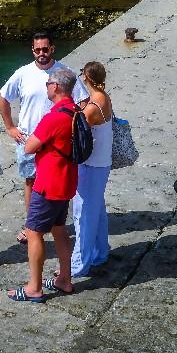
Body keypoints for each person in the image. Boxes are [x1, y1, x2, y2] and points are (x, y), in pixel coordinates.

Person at [0, 31, 88, 246]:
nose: (41, 53)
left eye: (45, 49)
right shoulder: (23, 73)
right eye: (37, 50)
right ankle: (32, 225)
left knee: (56, 182)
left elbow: (84, 101)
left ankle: (53, 222)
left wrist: (72, 128)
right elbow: (3, 97)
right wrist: (10, 127)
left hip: (57, 144)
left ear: (52, 49)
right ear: (32, 50)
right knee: (31, 182)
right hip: (30, 139)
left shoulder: (64, 73)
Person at [7, 66, 81, 302]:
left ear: (56, 87)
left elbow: (29, 147)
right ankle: (64, 279)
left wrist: (34, 140)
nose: (46, 87)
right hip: (67, 180)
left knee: (33, 232)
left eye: (48, 84)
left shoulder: (54, 117)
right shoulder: (75, 111)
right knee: (59, 230)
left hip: (49, 183)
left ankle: (34, 288)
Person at [70, 62, 113, 278]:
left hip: (91, 165)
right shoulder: (103, 97)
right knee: (97, 211)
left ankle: (78, 266)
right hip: (102, 162)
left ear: (86, 77)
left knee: (83, 215)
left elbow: (75, 129)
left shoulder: (92, 108)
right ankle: (100, 253)